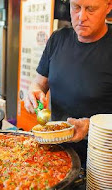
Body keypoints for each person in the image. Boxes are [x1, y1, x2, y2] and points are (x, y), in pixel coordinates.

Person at [25, 0, 112, 166]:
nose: (81, 17)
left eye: (90, 9)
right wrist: (34, 92)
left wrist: (91, 126)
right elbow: (39, 83)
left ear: (108, 7)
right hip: (56, 149)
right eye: (76, 7)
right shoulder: (58, 39)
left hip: (102, 155)